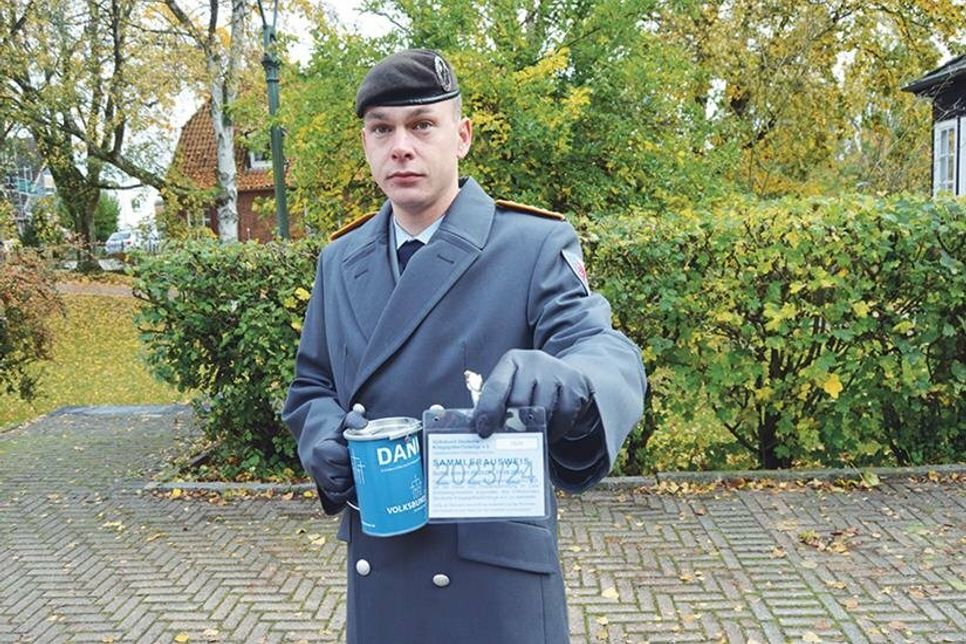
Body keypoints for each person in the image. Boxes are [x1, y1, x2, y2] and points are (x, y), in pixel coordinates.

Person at [283, 48, 646, 644]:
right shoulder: (339, 261)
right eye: (382, 129)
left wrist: (568, 382)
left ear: (462, 136)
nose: (401, 145)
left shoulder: (532, 245)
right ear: (367, 144)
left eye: (422, 125)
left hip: (493, 581)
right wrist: (319, 435)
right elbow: (313, 384)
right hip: (384, 557)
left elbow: (600, 348)